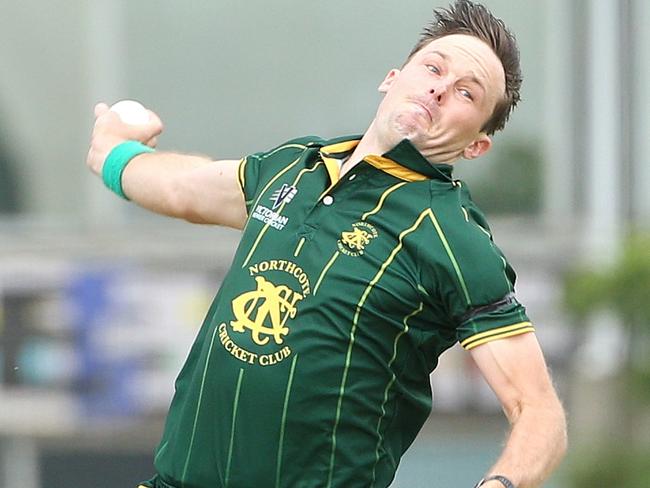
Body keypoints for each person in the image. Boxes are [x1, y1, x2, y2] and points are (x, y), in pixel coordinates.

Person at [86, 1, 567, 487]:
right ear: (392, 78)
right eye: (433, 68)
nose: (440, 88)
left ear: (475, 146)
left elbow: (539, 412)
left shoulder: (454, 237)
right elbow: (182, 187)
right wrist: (114, 152)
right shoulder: (295, 168)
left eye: (466, 92)